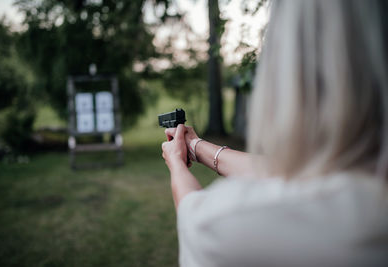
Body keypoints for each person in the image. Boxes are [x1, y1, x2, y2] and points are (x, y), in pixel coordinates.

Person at [161, 0, 388, 266]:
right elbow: (284, 172)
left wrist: (176, 164)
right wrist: (196, 146)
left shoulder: (233, 220)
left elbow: (194, 219)